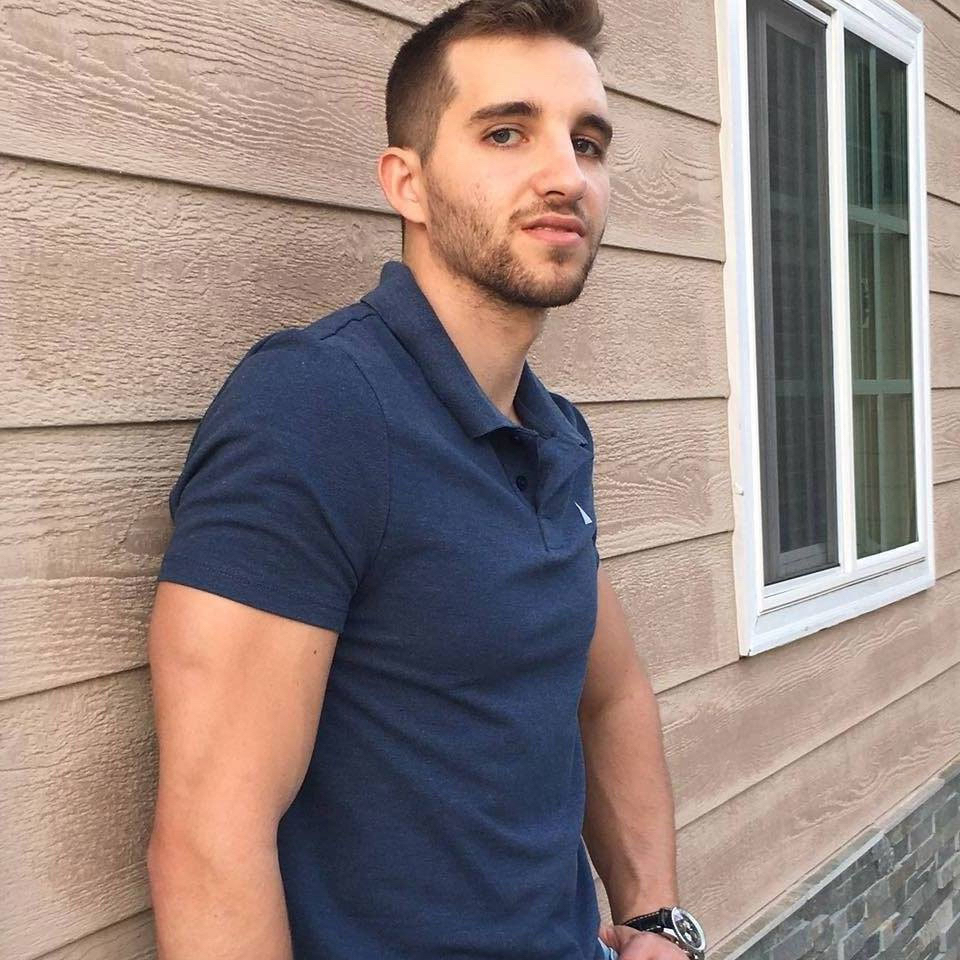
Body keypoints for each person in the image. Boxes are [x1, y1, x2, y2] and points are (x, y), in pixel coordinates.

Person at [146, 1, 702, 958]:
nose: (564, 174)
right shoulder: (318, 408)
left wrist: (658, 918)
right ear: (407, 183)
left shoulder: (552, 433)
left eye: (588, 143)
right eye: (506, 132)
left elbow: (607, 692)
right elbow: (208, 842)